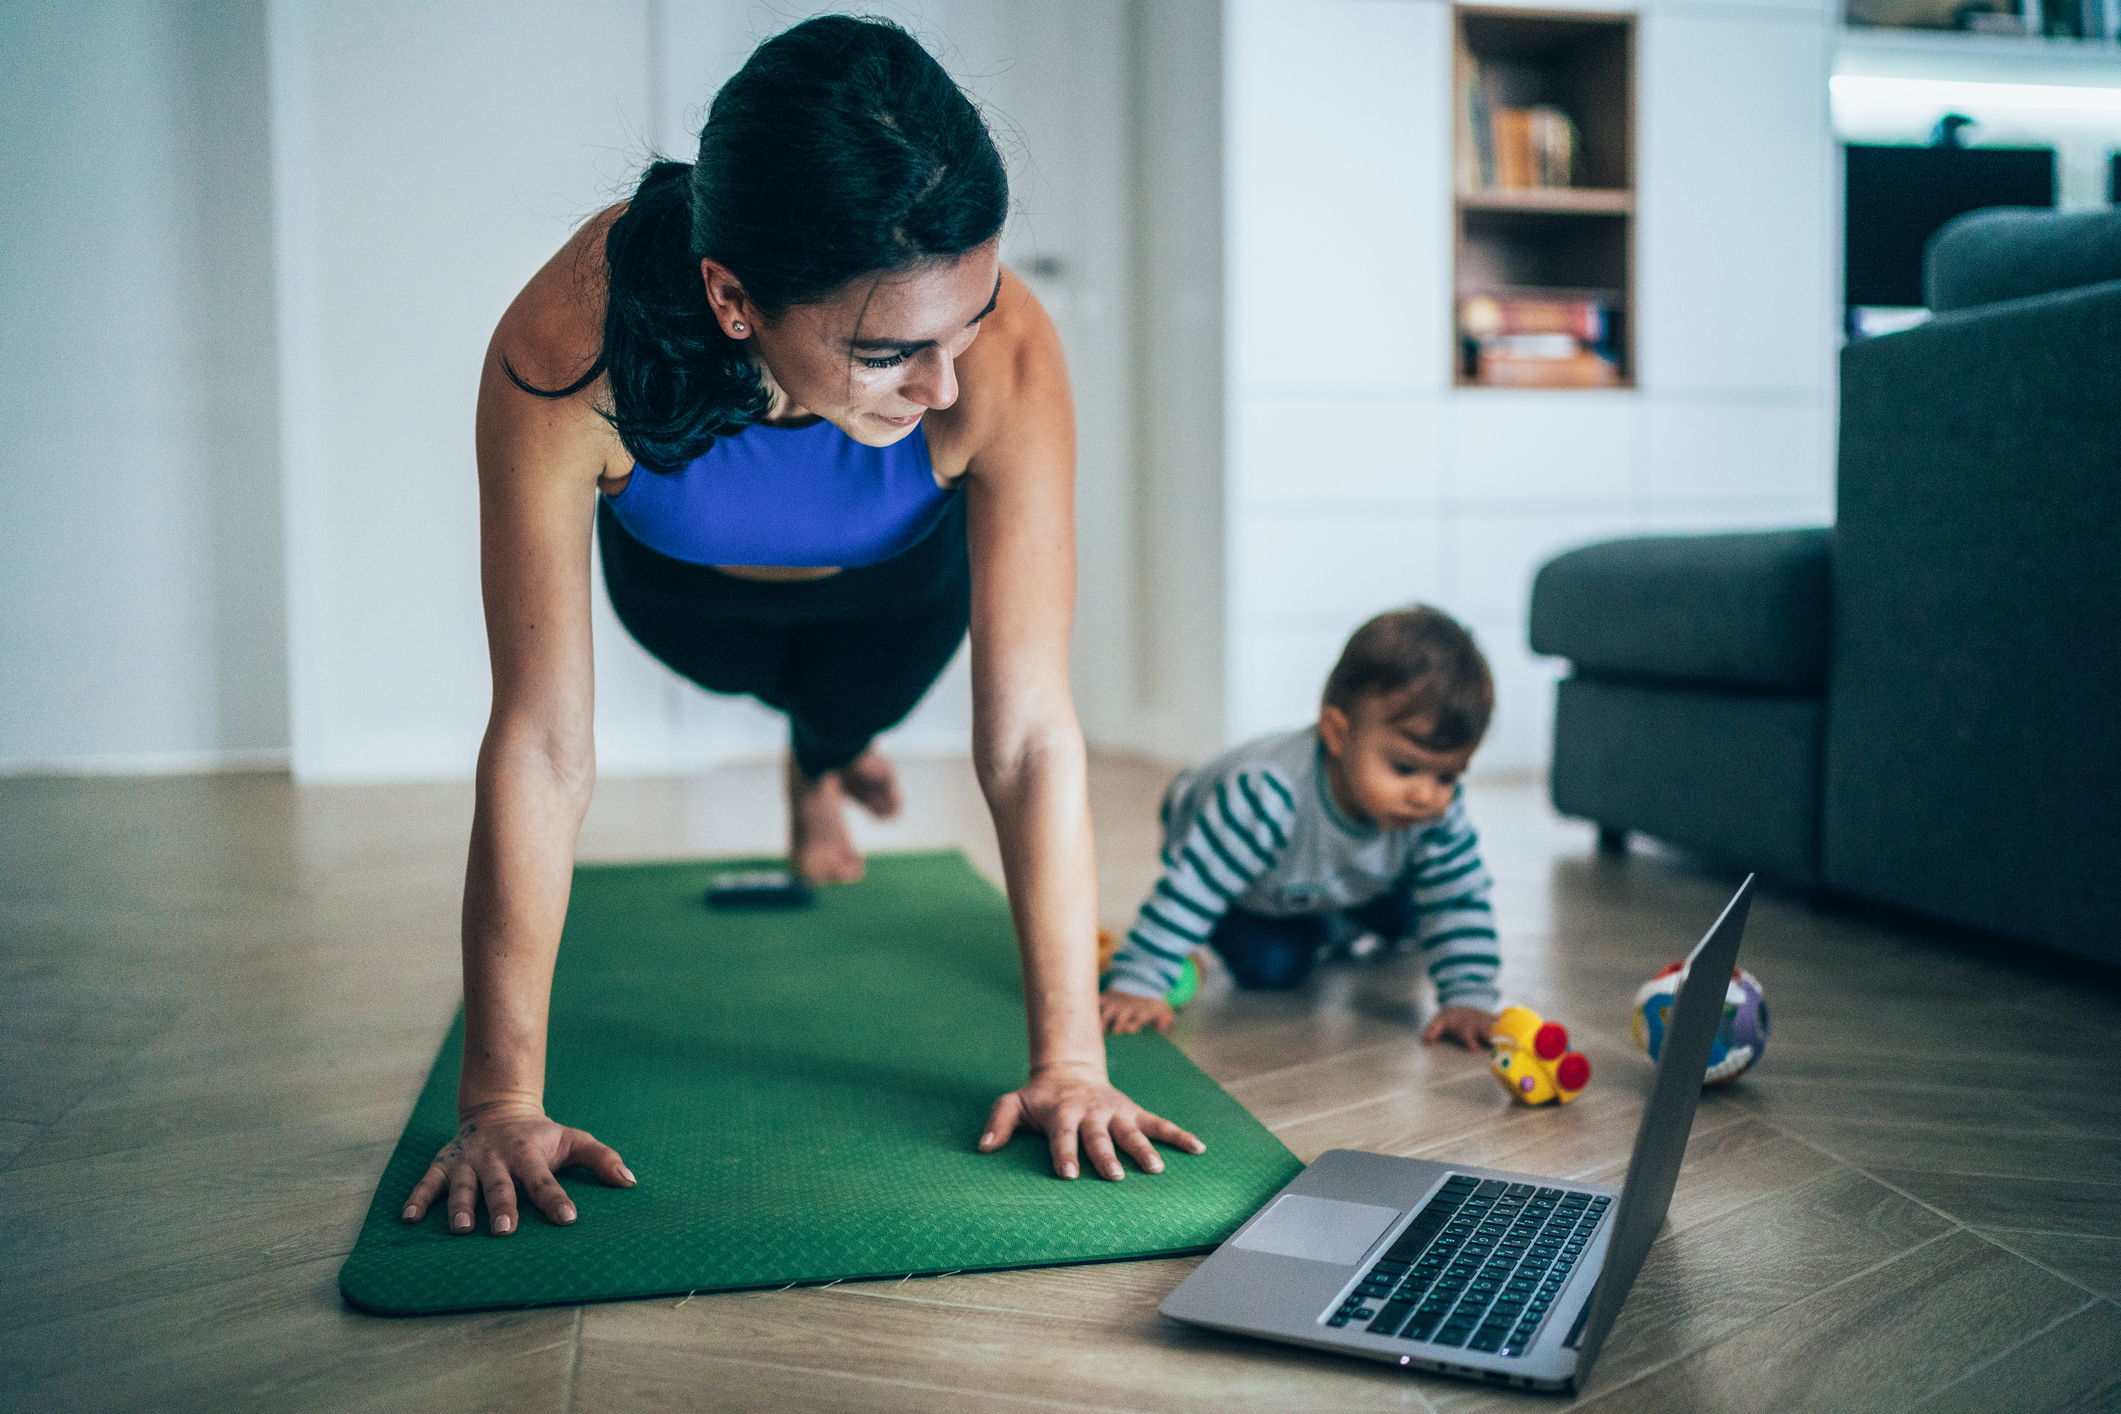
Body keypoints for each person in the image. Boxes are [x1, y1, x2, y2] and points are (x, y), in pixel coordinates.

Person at [398, 16, 1201, 1240]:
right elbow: (543, 744)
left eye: (967, 322)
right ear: (733, 297)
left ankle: (824, 759)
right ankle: (819, 749)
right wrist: (500, 1097)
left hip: (893, 592)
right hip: (686, 597)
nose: (944, 384)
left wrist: (1073, 1062)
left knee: (848, 701)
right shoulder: (570, 343)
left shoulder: (1007, 355)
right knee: (763, 678)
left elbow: (1031, 734)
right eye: (890, 353)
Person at [1098, 606, 1504, 1048]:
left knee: (1419, 908)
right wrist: (1139, 981)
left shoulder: (1431, 813)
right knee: (1271, 966)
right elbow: (1194, 887)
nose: (1426, 795)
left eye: (1447, 776)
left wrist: (1468, 997)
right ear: (1338, 734)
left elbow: (1458, 897)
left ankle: (1333, 917)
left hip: (1330, 875)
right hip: (1242, 874)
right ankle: (1322, 924)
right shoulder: (1266, 795)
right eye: (1405, 767)